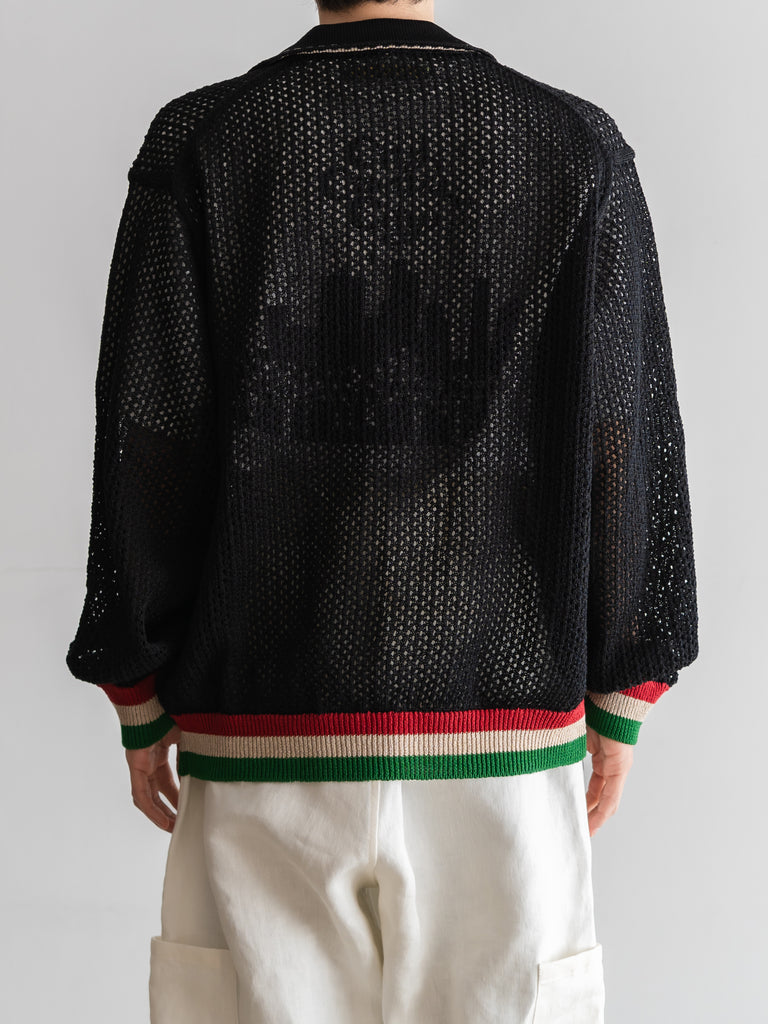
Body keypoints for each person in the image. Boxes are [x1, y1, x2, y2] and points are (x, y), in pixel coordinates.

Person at [65, 1, 699, 1021]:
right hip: (503, 741)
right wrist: (626, 680)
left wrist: (136, 687)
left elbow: (152, 434)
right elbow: (624, 425)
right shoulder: (573, 146)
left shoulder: (207, 142)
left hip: (265, 736)